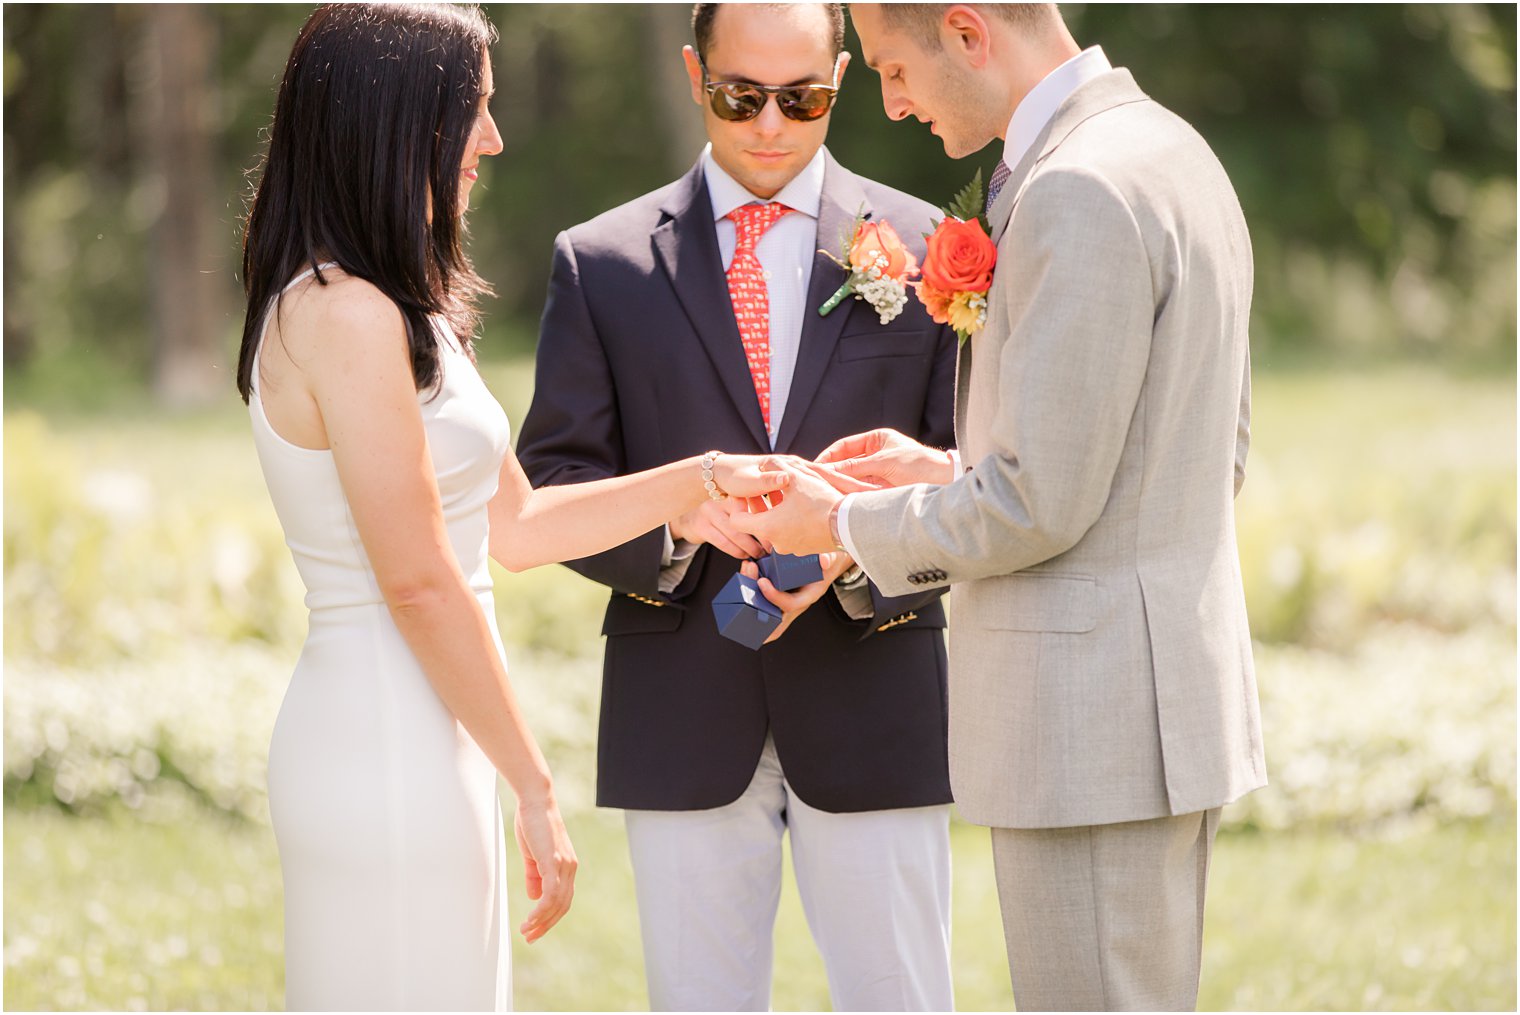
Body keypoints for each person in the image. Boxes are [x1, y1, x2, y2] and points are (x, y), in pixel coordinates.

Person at [235, 5, 789, 1010]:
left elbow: (517, 527)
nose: (491, 139)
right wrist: (534, 782)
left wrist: (695, 479)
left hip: (428, 731)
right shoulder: (344, 315)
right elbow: (416, 580)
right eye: (473, 113)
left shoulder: (403, 311)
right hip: (380, 736)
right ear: (399, 121)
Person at [735, 3, 1266, 1010]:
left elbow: (1037, 505)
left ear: (968, 32)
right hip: (1147, 710)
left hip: (1087, 729)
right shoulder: (1167, 148)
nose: (889, 105)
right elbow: (1185, 453)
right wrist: (948, 471)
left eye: (894, 70)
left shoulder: (1075, 187)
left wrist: (838, 524)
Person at [514, 3, 959, 1009]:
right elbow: (552, 486)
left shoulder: (930, 248)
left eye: (799, 99)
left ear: (840, 78)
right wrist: (673, 524)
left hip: (875, 691)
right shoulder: (603, 263)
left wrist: (850, 543)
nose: (768, 124)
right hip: (681, 704)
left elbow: (965, 478)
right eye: (737, 96)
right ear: (691, 72)